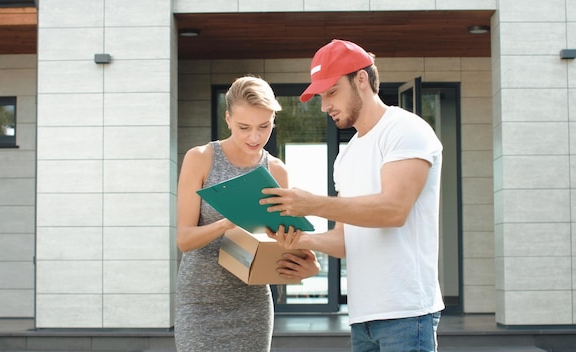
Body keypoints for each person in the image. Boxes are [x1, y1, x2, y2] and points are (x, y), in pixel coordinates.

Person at [260, 39, 445, 352]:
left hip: (407, 314)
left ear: (361, 79)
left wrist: (313, 203)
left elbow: (393, 210)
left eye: (331, 92)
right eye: (320, 96)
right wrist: (298, 240)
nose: (324, 105)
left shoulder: (405, 130)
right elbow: (345, 241)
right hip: (363, 318)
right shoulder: (346, 157)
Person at [174, 75, 321, 352]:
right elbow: (184, 239)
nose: (254, 137)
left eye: (264, 126)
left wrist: (307, 264)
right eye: (244, 127)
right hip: (200, 304)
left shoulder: (276, 170)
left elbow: (281, 239)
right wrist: (228, 222)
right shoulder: (201, 158)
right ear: (228, 119)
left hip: (252, 303)